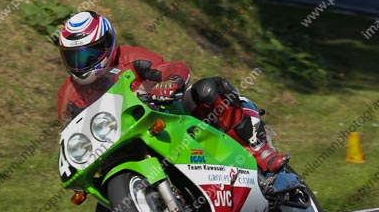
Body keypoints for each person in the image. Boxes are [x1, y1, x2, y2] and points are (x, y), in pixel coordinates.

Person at [57, 10, 289, 176]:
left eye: (88, 54)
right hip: (123, 146)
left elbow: (168, 67)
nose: (81, 63)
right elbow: (71, 133)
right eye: (73, 57)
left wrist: (170, 82)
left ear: (107, 44)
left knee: (208, 89)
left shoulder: (128, 57)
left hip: (171, 119)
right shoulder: (70, 94)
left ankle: (258, 150)